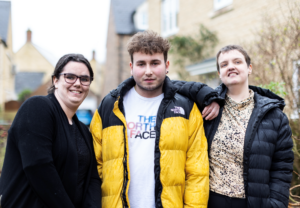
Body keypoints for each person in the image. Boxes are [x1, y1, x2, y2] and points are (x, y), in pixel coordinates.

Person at [90, 31, 223, 208]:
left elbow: (196, 172)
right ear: (131, 67)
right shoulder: (110, 106)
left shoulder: (186, 108)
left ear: (167, 65)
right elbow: (95, 164)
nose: (148, 71)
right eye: (141, 64)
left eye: (155, 63)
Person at [176, 45, 294, 208]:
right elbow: (169, 83)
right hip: (210, 202)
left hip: (252, 203)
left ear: (249, 68)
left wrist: (275, 204)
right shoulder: (207, 108)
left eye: (237, 62)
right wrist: (207, 95)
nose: (230, 66)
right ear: (219, 73)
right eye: (224, 64)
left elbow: (282, 167)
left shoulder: (274, 116)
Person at [0, 54, 102, 208]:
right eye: (70, 77)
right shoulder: (37, 108)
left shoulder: (83, 131)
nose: (78, 83)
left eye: (84, 79)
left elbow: (92, 178)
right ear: (55, 80)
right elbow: (39, 166)